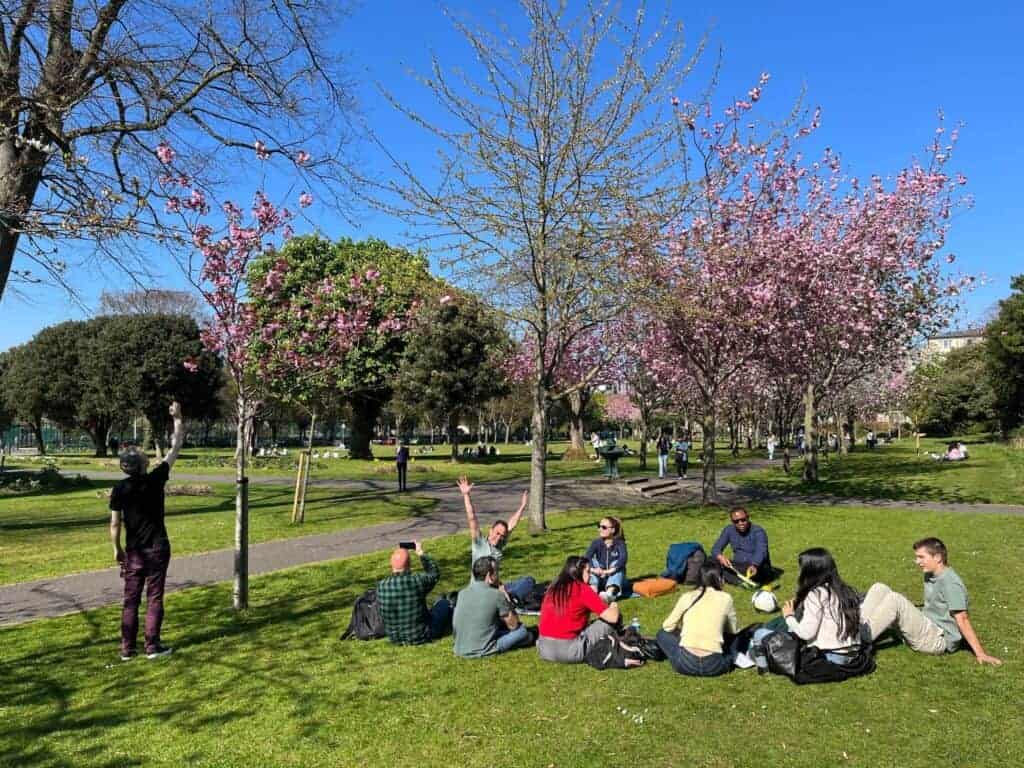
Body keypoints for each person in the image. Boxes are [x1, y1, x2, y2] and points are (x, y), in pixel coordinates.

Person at [109, 400, 184, 661]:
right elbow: (175, 448)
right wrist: (177, 418)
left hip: (134, 553)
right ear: (142, 465)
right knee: (154, 597)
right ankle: (152, 646)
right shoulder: (155, 480)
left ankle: (127, 649)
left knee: (130, 600)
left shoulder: (119, 490)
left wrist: (117, 549)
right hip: (157, 548)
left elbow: (115, 523)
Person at [861, 538, 1001, 665]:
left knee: (895, 600)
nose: (917, 562)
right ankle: (853, 629)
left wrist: (981, 653)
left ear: (938, 557)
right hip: (927, 625)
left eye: (921, 557)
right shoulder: (931, 573)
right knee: (879, 588)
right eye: (917, 557)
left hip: (937, 640)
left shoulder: (951, 584)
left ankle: (856, 642)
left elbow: (962, 619)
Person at [750, 548, 863, 673]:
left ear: (810, 571)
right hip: (853, 655)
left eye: (802, 569)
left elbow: (806, 634)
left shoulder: (816, 594)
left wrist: (789, 616)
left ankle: (763, 669)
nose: (800, 573)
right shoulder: (846, 590)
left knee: (759, 634)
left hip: (829, 658)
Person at [457, 476, 535, 601]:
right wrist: (466, 495)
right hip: (481, 591)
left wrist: (522, 506)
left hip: (495, 584)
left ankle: (510, 596)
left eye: (502, 535)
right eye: (497, 533)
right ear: (490, 530)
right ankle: (510, 598)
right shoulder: (479, 543)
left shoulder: (500, 544)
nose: (498, 538)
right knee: (518, 588)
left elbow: (512, 524)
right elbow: (472, 518)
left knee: (528, 580)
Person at [656, 561, 737, 676]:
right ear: (720, 578)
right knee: (737, 640)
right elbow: (732, 631)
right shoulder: (726, 598)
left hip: (685, 664)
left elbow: (667, 626)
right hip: (714, 666)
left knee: (661, 634)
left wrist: (682, 631)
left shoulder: (687, 597)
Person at [537, 556, 621, 663]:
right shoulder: (582, 589)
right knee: (615, 619)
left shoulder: (553, 588)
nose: (590, 575)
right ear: (579, 571)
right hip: (570, 651)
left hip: (543, 649)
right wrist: (614, 605)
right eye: (588, 571)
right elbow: (612, 618)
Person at [453, 556, 533, 658]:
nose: (498, 575)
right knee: (522, 631)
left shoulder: (462, 593)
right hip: (481, 650)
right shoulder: (496, 595)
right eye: (496, 572)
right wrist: (505, 596)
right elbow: (514, 625)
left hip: (459, 648)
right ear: (489, 576)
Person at [377, 541, 453, 645]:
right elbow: (434, 572)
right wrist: (420, 553)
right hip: (422, 635)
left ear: (391, 564)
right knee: (443, 603)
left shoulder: (381, 586)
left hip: (394, 638)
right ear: (409, 564)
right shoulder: (417, 581)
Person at [710, 507, 774, 585]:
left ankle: (732, 578)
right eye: (736, 521)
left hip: (756, 566)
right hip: (738, 565)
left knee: (751, 571)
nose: (740, 523)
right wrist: (720, 557)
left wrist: (754, 564)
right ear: (732, 522)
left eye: (743, 520)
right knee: (711, 559)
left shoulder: (758, 531)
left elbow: (761, 551)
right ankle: (739, 580)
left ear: (748, 518)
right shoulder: (729, 530)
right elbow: (716, 548)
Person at [584, 516, 628, 602]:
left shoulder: (620, 543)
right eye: (599, 526)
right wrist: (594, 569)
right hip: (600, 577)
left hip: (615, 578)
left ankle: (610, 594)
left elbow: (623, 559)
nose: (600, 529)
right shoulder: (596, 542)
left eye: (603, 527)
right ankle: (593, 589)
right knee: (591, 562)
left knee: (618, 564)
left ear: (613, 530)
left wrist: (608, 571)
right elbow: (587, 557)